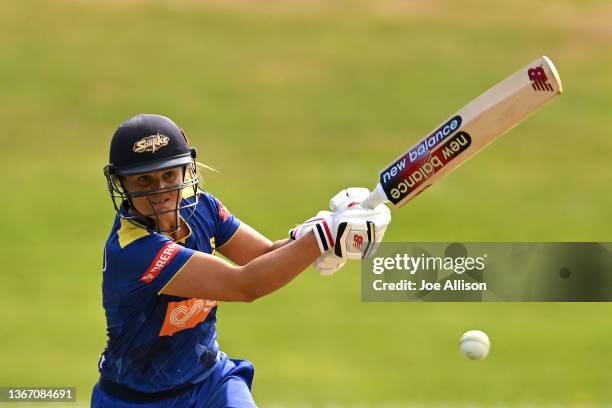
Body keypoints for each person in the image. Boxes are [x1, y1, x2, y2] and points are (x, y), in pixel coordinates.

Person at [91, 114, 391, 407]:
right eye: (144, 180)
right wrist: (324, 236)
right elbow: (245, 284)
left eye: (169, 174)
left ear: (185, 170)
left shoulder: (203, 208)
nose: (161, 190)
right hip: (134, 400)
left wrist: (314, 235)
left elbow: (264, 256)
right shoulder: (134, 251)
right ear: (123, 184)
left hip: (211, 386)